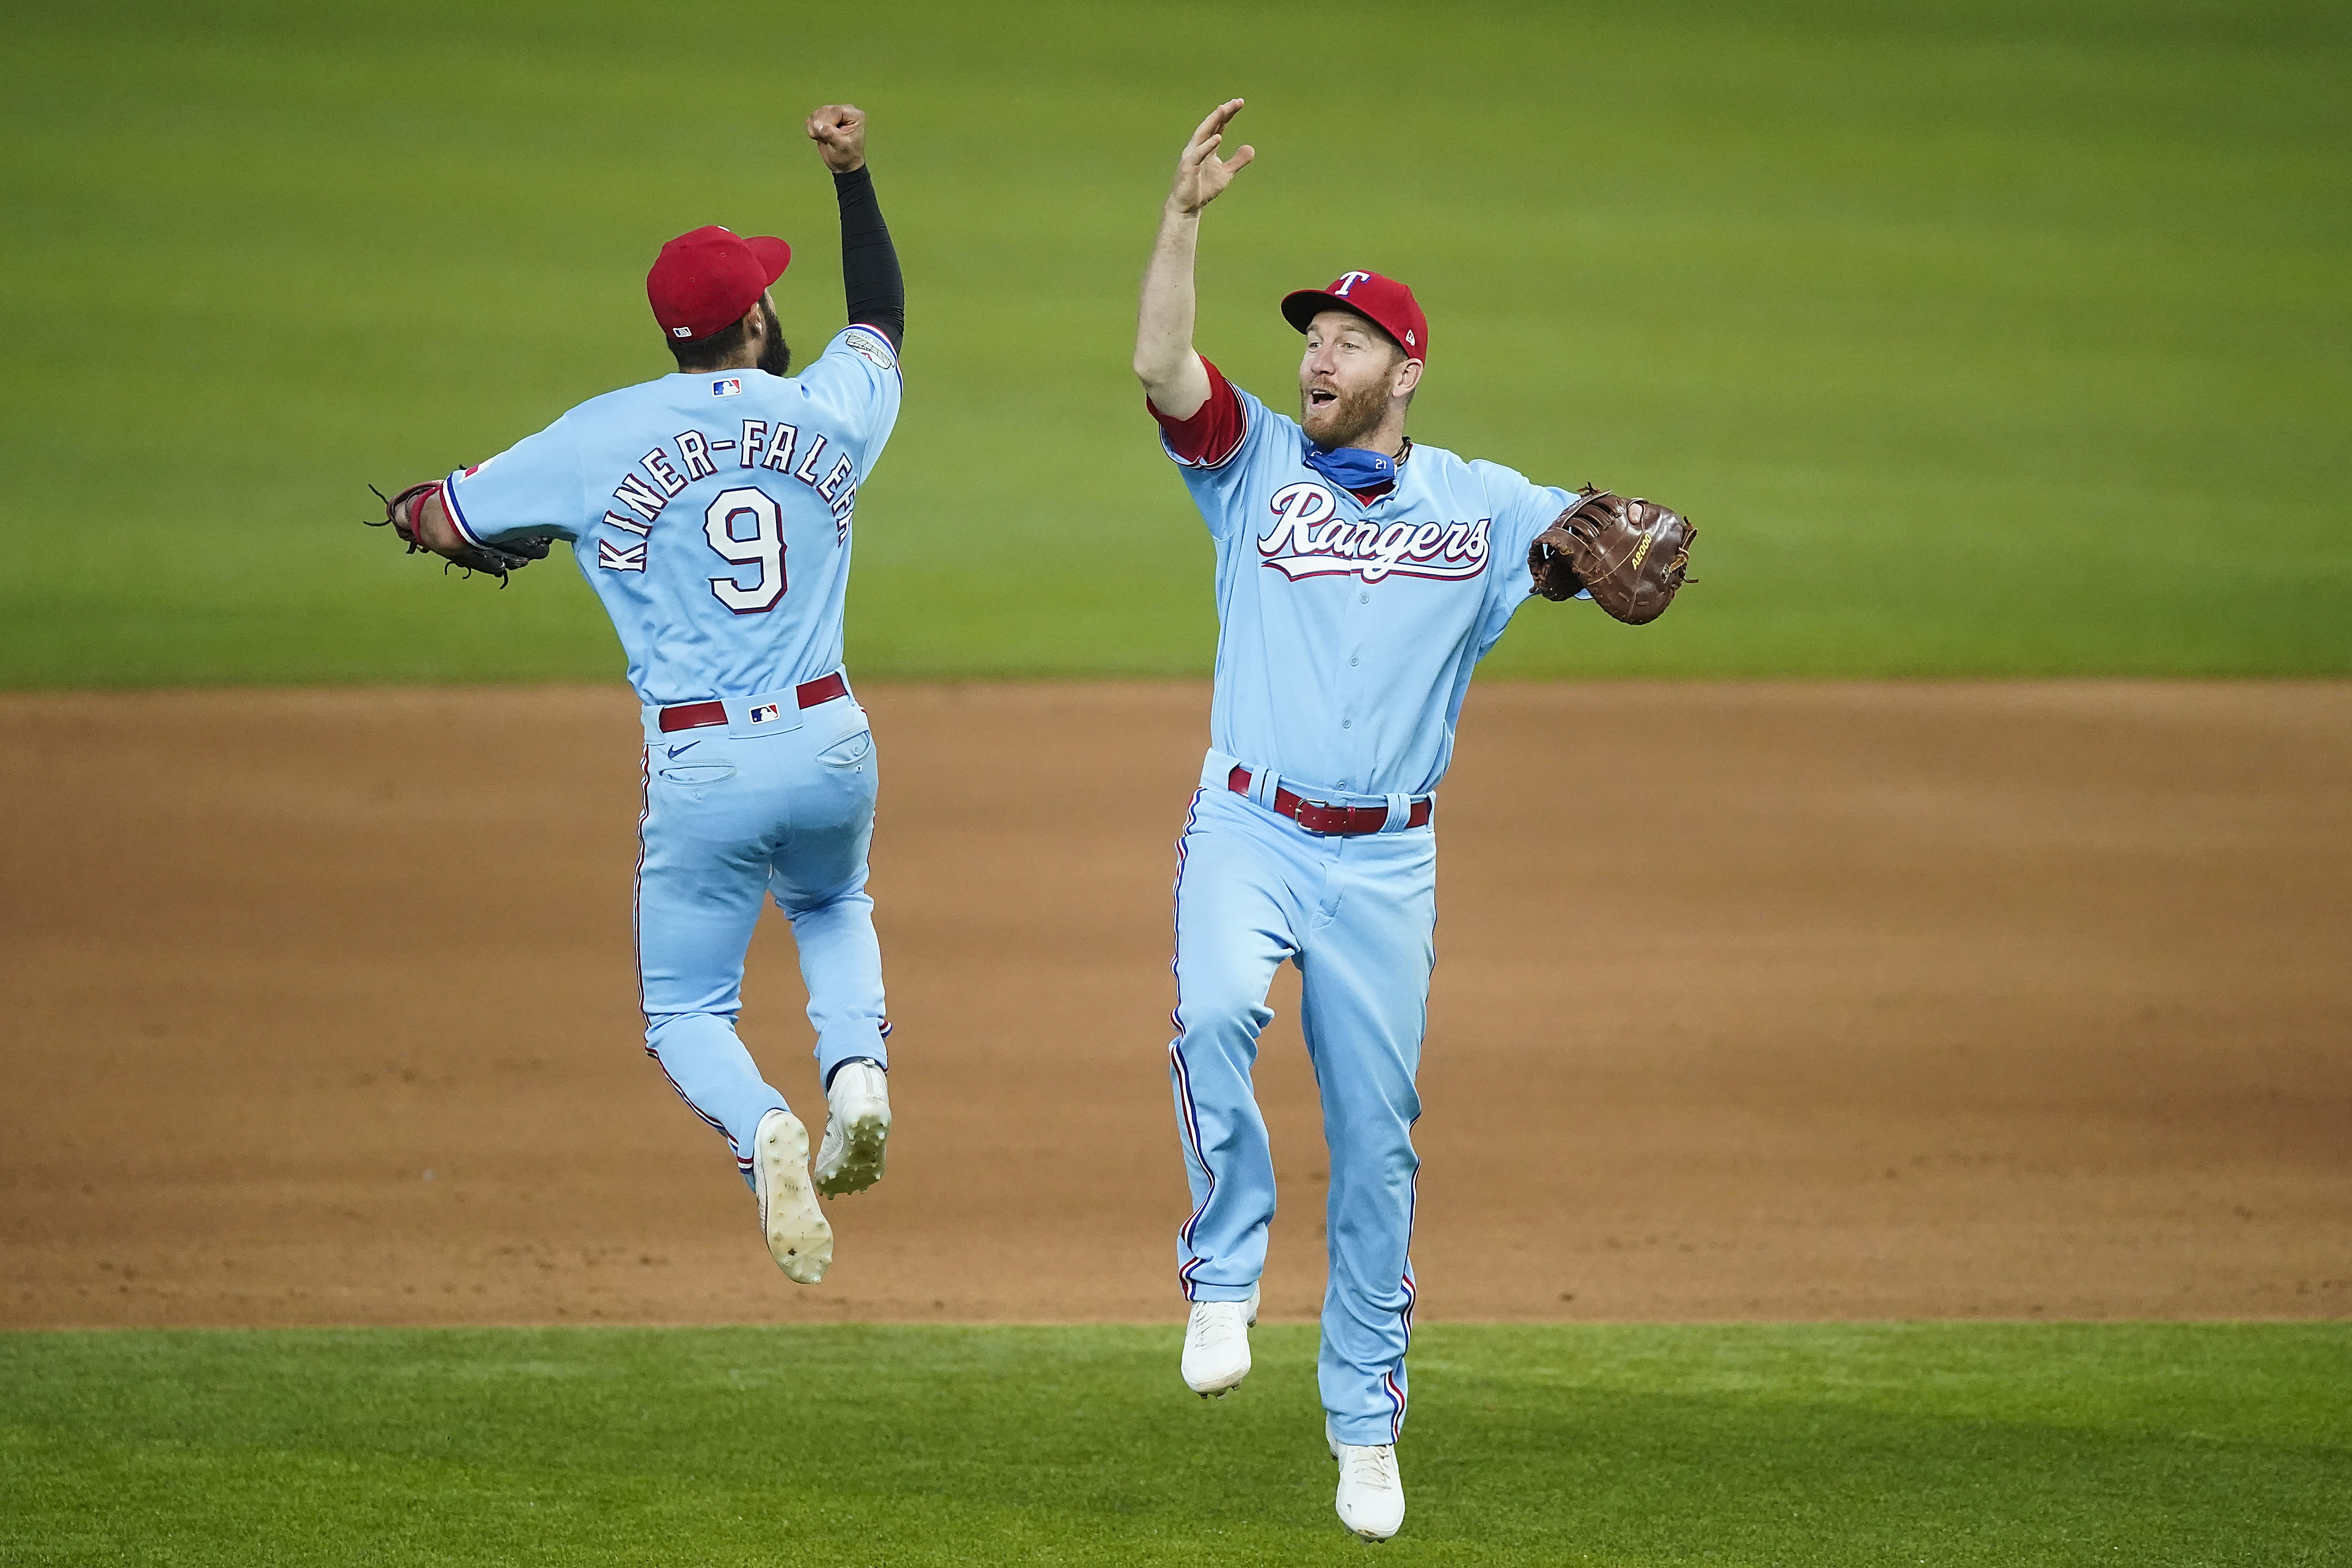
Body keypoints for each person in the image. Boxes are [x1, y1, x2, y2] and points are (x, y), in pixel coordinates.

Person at [1133, 99, 1607, 1542]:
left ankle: (1362, 1425)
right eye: (1310, 338)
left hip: (1384, 862)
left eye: (1343, 340)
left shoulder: (1477, 508)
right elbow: (1162, 365)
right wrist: (1181, 217)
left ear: (1405, 367)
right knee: (1215, 1014)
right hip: (1247, 828)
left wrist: (1614, 533)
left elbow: (1588, 535)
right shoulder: (1250, 463)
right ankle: (1222, 1275)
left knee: (1378, 1144)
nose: (1314, 356)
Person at [383, 105, 905, 1286]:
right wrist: (853, 179)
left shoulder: (597, 434)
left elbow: (444, 511)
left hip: (703, 766)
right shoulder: (823, 410)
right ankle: (857, 1076)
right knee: (830, 904)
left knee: (684, 1010)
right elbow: (879, 319)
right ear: (758, 318)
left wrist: (438, 524)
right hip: (831, 738)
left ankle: (763, 1128)